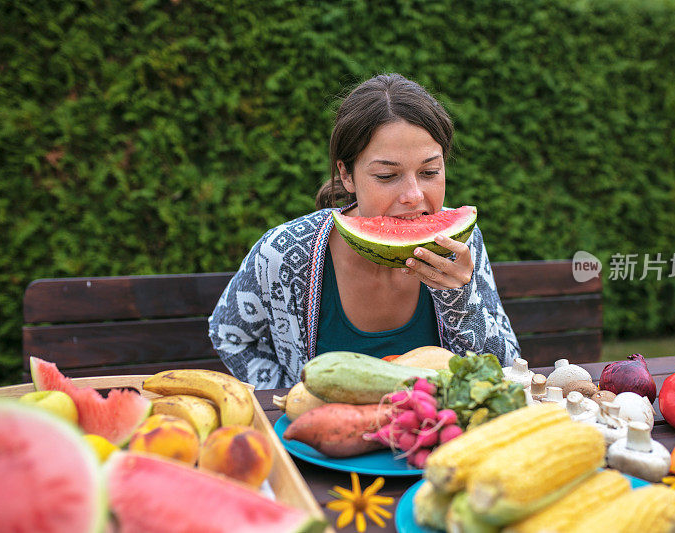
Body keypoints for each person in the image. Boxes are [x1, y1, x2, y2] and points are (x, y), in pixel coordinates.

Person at [208, 73, 519, 389]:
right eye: (386, 175)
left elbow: (506, 367)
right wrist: (291, 399)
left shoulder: (460, 245)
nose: (413, 195)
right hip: (322, 437)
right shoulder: (285, 251)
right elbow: (228, 334)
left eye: (429, 172)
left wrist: (461, 300)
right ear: (347, 174)